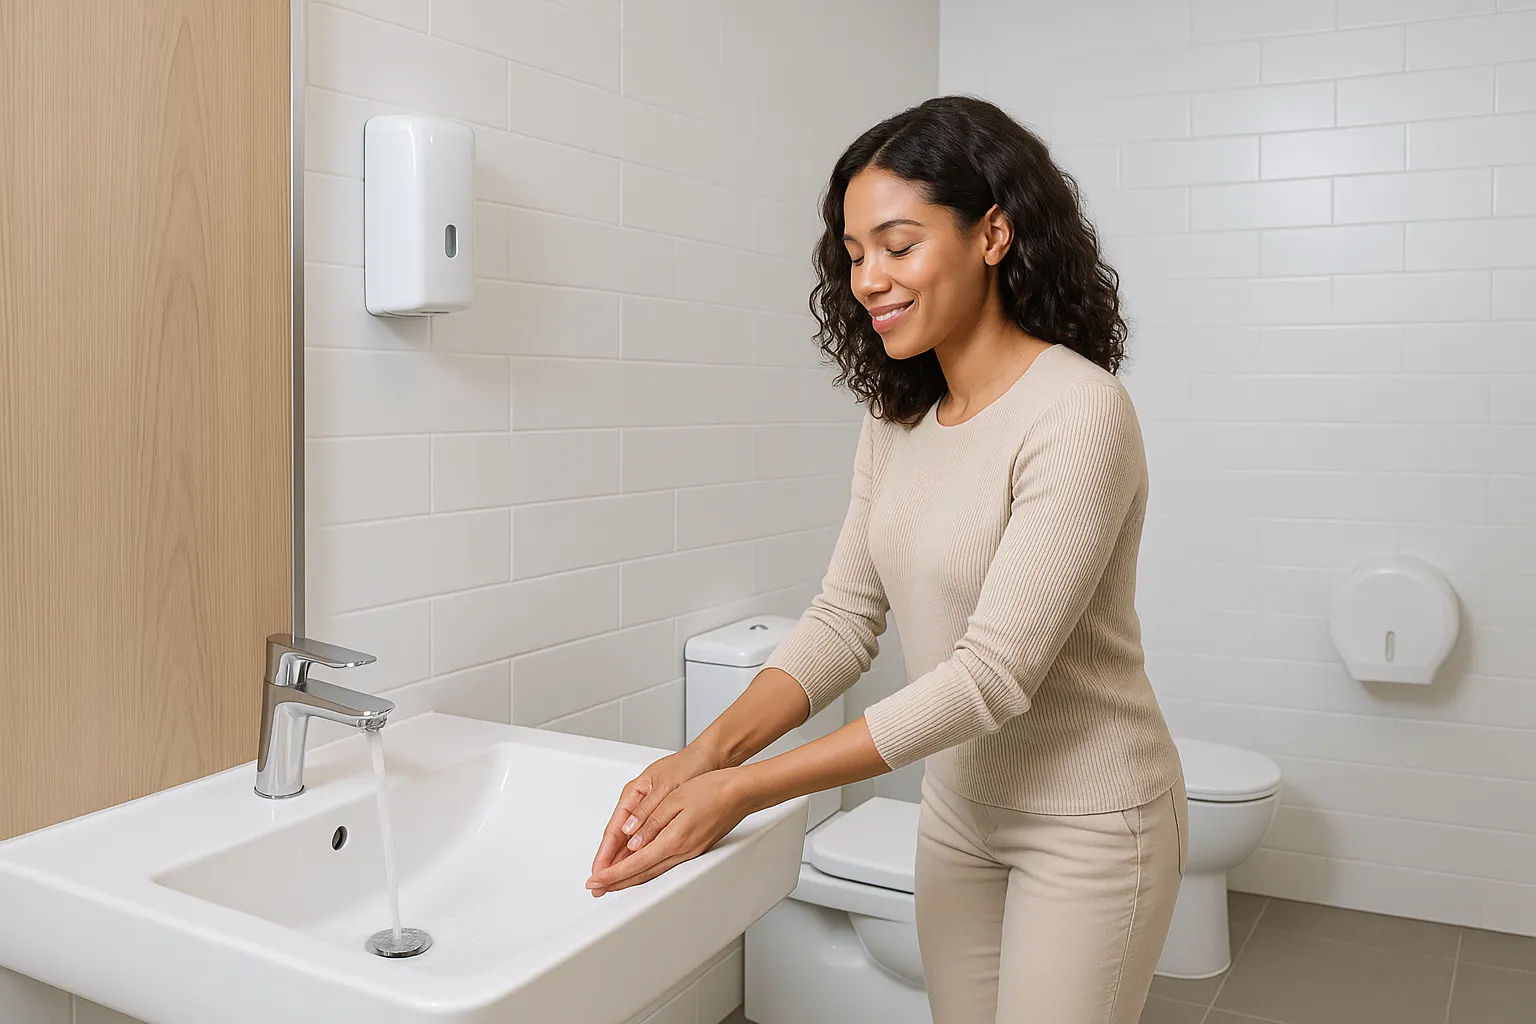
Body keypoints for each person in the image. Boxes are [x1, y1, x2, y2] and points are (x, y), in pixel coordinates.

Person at [586, 95, 1186, 1024]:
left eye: (898, 246)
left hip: (1091, 825)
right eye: (854, 253)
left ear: (994, 233)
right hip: (959, 811)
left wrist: (741, 789)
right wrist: (700, 756)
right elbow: (840, 620)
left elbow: (992, 679)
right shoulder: (896, 420)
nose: (869, 279)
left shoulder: (1079, 413)